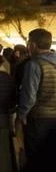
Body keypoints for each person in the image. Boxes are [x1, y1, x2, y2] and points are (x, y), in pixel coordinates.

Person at [17, 29, 56, 161]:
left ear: (33, 45)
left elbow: (29, 96)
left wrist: (21, 115)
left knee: (35, 157)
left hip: (39, 119)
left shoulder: (34, 65)